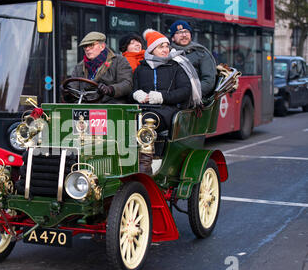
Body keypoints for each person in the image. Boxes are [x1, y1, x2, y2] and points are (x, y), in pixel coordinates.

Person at [132, 29, 202, 174]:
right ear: (152, 50)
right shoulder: (141, 68)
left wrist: (162, 97)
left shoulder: (176, 66)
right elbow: (133, 90)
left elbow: (185, 91)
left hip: (167, 110)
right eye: (161, 47)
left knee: (148, 121)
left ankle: (145, 165)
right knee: (126, 121)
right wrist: (136, 94)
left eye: (166, 46)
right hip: (143, 108)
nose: (165, 50)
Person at [64, 31, 133, 103]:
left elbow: (127, 84)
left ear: (102, 46)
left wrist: (110, 89)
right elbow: (73, 89)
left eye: (91, 45)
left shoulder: (119, 61)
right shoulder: (79, 67)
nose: (87, 49)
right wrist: (67, 92)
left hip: (110, 107)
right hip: (86, 107)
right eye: (85, 46)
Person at [170, 20, 216, 99]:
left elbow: (208, 81)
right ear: (173, 38)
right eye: (179, 32)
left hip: (193, 100)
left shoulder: (201, 53)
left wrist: (190, 94)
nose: (184, 35)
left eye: (186, 32)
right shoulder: (167, 53)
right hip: (171, 97)